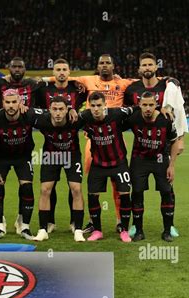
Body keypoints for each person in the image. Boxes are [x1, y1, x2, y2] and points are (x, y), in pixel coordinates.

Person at [47, 54, 138, 234]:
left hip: (114, 137)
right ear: (97, 66)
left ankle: (120, 220)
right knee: (91, 178)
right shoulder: (88, 80)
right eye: (101, 63)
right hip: (94, 138)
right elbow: (63, 77)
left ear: (113, 66)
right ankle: (92, 221)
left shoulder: (124, 83)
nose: (104, 66)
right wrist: (39, 79)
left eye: (108, 63)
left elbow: (144, 80)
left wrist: (169, 80)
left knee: (117, 183)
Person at [124, 52, 187, 237]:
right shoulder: (131, 89)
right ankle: (136, 227)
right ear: (139, 69)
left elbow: (178, 97)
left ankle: (170, 226)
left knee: (167, 190)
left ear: (156, 67)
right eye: (144, 65)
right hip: (139, 154)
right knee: (136, 191)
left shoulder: (167, 85)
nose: (147, 68)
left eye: (150, 65)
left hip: (162, 151)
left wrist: (181, 138)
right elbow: (124, 113)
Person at [35, 58, 87, 234]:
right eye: (58, 69)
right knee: (49, 187)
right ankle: (48, 222)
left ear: (69, 72)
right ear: (53, 72)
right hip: (51, 151)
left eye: (65, 69)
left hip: (72, 150)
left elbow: (95, 94)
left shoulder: (78, 89)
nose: (62, 72)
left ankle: (75, 222)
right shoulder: (44, 89)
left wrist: (74, 109)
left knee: (75, 188)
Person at [78, 92, 134, 242]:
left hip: (119, 163)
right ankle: (97, 231)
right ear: (89, 106)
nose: (96, 109)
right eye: (93, 106)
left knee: (124, 195)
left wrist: (161, 109)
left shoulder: (117, 113)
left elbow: (137, 109)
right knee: (93, 196)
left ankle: (124, 230)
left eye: (99, 106)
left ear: (105, 106)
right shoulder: (85, 117)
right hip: (98, 164)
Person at [124, 92, 179, 242]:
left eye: (151, 105)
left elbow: (175, 141)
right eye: (144, 105)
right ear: (139, 105)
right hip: (139, 160)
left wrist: (172, 165)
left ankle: (167, 230)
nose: (148, 108)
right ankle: (138, 230)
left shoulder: (165, 120)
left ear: (156, 105)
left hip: (160, 160)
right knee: (136, 193)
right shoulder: (134, 118)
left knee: (166, 192)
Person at [0, 89, 38, 240]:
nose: (11, 105)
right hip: (1, 158)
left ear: (20, 102)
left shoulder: (28, 114)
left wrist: (70, 109)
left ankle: (24, 226)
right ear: (3, 103)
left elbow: (49, 115)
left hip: (22, 157)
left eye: (14, 102)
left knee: (27, 187)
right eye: (7, 102)